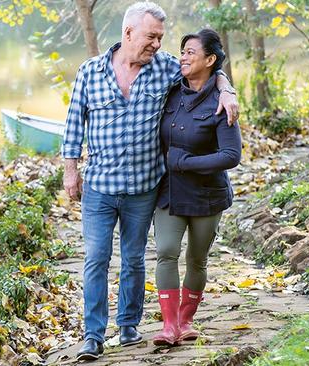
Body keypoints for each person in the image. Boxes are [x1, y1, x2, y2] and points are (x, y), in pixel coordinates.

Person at [61, 2, 239, 361]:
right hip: (99, 185)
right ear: (128, 33)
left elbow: (205, 67)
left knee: (134, 259)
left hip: (144, 185)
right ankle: (93, 335)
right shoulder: (90, 71)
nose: (158, 44)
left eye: (161, 37)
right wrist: (70, 170)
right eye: (152, 37)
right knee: (96, 258)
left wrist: (226, 87)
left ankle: (128, 326)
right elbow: (72, 124)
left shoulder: (166, 69)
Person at [152, 28, 241, 346]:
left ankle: (187, 321)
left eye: (191, 51)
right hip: (170, 191)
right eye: (182, 51)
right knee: (165, 252)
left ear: (210, 59)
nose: (183, 57)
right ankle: (169, 325)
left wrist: (184, 162)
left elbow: (231, 156)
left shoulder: (222, 102)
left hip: (207, 194)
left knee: (197, 259)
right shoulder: (170, 90)